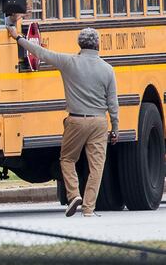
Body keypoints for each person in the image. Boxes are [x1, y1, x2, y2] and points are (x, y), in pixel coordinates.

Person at [6, 15, 118, 217]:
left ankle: (74, 194)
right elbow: (113, 103)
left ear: (79, 44)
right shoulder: (107, 70)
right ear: (98, 45)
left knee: (67, 159)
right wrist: (115, 128)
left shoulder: (69, 62)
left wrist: (17, 37)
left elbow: (40, 52)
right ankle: (89, 209)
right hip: (100, 122)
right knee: (96, 167)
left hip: (76, 120)